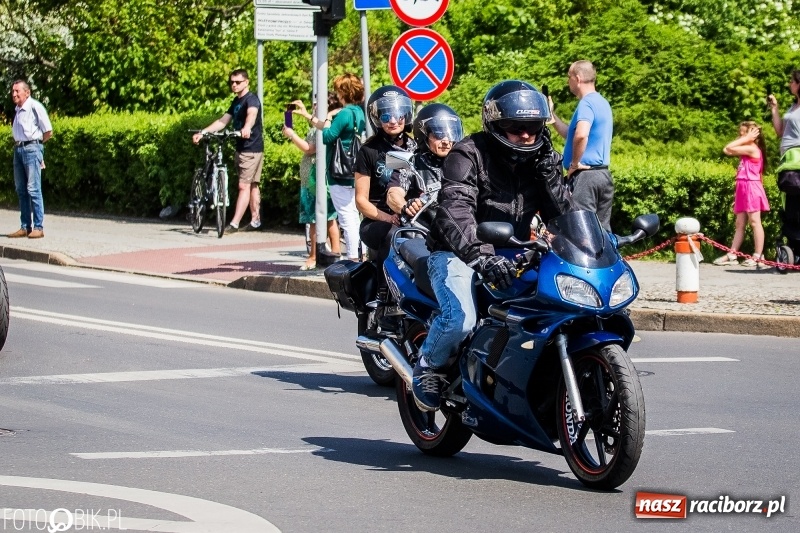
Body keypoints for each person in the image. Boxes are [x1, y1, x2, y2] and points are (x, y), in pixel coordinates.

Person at [412, 80, 572, 412]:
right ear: (496, 124)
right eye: (516, 127)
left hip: (515, 249)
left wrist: (550, 178)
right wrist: (481, 258)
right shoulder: (468, 154)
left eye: (532, 126)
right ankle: (427, 365)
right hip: (457, 252)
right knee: (462, 320)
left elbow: (566, 217)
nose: (526, 135)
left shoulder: (542, 158)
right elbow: (455, 213)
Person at [292, 73, 365, 261]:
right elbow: (330, 128)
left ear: (344, 92)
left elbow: (327, 136)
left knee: (345, 216)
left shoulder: (344, 113)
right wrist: (310, 116)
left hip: (338, 171)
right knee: (354, 213)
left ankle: (352, 257)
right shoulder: (358, 112)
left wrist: (329, 121)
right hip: (353, 168)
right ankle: (360, 253)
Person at [354, 85, 416, 282]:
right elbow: (361, 201)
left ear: (406, 115)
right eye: (386, 116)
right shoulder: (369, 150)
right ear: (376, 118)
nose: (393, 121)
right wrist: (388, 218)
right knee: (393, 234)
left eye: (398, 114)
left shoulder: (416, 147)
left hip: (413, 215)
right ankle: (385, 292)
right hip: (377, 220)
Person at [193, 69, 263, 234]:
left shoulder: (251, 99)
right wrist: (203, 132)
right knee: (252, 184)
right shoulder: (236, 101)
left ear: (246, 82)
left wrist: (246, 127)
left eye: (238, 82)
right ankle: (255, 220)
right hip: (241, 148)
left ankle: (234, 223)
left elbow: (252, 115)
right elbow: (223, 121)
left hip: (251, 149)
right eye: (232, 82)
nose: (234, 85)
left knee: (243, 186)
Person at [549, 60, 614, 231]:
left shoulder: (586, 103)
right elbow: (572, 135)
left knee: (582, 231)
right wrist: (552, 115)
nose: (567, 81)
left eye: (568, 77)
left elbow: (581, 134)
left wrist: (575, 163)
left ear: (577, 78)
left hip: (585, 177)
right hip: (603, 175)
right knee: (602, 232)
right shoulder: (602, 102)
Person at [283, 92, 343, 270]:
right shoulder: (325, 124)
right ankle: (335, 254)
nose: (314, 107)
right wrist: (302, 112)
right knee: (329, 218)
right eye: (314, 104)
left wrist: (292, 135)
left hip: (315, 179)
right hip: (314, 178)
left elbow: (310, 149)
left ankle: (314, 256)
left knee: (316, 219)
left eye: (318, 104)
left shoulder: (326, 125)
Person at [386, 103, 464, 227]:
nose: (446, 141)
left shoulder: (465, 163)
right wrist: (406, 206)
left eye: (451, 133)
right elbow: (393, 194)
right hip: (424, 232)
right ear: (423, 135)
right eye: (438, 134)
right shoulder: (412, 163)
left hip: (461, 229)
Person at [712, 123, 770, 267]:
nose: (740, 136)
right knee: (739, 224)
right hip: (742, 188)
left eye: (743, 133)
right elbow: (726, 149)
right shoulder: (745, 150)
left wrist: (748, 138)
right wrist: (746, 137)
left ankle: (758, 256)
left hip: (751, 187)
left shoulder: (752, 149)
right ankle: (732, 254)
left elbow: (728, 148)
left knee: (755, 222)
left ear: (753, 135)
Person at [8, 80, 52, 239]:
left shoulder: (35, 107)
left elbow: (48, 131)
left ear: (27, 92)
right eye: (13, 91)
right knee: (21, 189)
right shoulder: (18, 109)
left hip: (31, 148)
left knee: (33, 189)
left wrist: (37, 149)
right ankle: (25, 226)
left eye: (17, 91)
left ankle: (38, 227)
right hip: (19, 149)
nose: (14, 94)